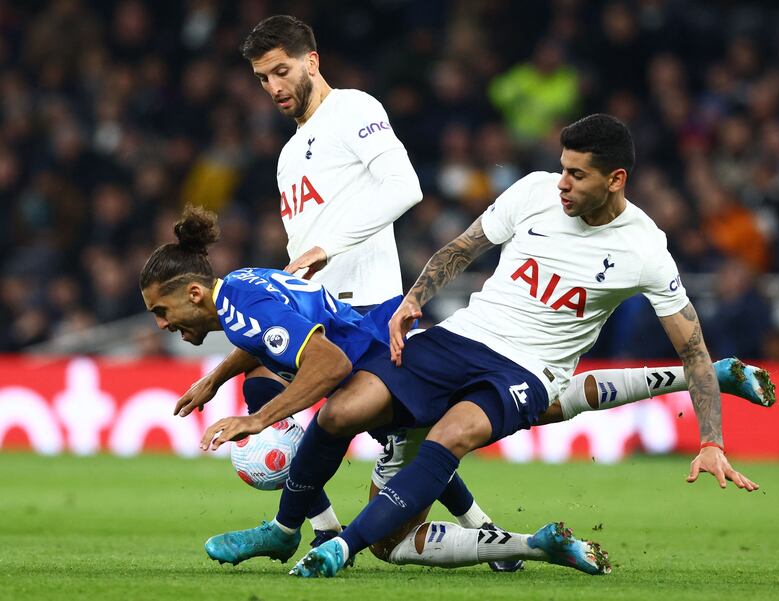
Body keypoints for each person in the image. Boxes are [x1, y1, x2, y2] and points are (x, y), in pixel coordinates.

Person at [191, 114, 762, 578]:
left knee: (457, 432)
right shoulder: (536, 193)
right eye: (562, 169)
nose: (562, 183)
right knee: (343, 411)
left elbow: (691, 346)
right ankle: (301, 528)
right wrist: (415, 297)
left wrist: (711, 440)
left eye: (578, 176)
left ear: (616, 180)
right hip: (461, 336)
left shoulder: (644, 249)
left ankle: (341, 547)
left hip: (528, 369)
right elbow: (462, 248)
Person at [173, 14, 527, 571]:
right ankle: (321, 531)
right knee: (261, 387)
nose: (273, 88)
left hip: (369, 308)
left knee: (398, 433)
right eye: (263, 79)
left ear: (312, 61)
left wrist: (326, 247)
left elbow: (404, 186)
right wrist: (213, 375)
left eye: (281, 72)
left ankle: (479, 531)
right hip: (320, 313)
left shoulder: (354, 109)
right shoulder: (290, 156)